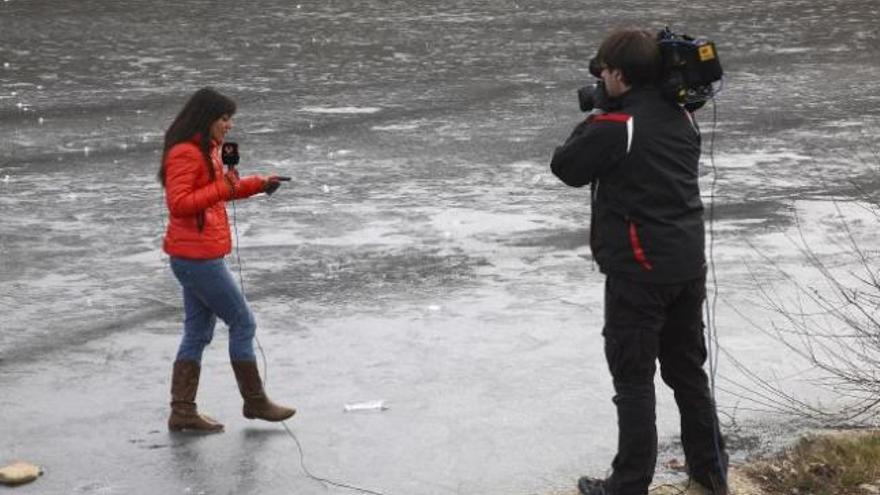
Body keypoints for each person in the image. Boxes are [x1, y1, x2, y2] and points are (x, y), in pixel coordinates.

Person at [549, 29, 728, 495]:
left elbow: (566, 166)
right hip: (686, 265)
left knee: (633, 380)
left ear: (619, 75)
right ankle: (711, 473)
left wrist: (599, 111)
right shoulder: (682, 115)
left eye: (606, 72)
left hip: (639, 272)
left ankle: (628, 485)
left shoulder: (617, 126)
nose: (602, 78)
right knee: (687, 372)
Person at [158, 87, 295, 433]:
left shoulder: (208, 151)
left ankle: (182, 411)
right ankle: (255, 401)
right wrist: (224, 186)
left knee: (197, 332)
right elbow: (180, 203)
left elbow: (220, 191)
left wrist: (259, 184)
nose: (229, 125)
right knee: (242, 322)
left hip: (197, 255)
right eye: (224, 118)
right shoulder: (185, 153)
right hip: (197, 258)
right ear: (206, 118)